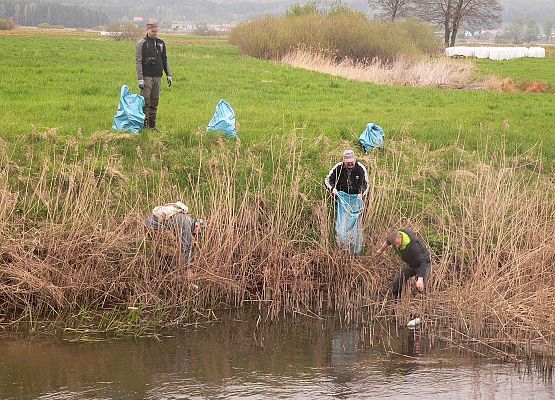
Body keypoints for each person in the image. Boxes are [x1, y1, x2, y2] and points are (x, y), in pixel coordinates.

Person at [324, 150, 369, 255]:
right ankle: (342, 246)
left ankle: (354, 249)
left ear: (354, 159)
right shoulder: (338, 168)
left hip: (356, 201)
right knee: (342, 225)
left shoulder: (360, 168)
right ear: (344, 161)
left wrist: (361, 193)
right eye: (347, 161)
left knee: (355, 226)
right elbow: (327, 180)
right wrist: (332, 189)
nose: (350, 163)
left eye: (351, 161)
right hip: (342, 201)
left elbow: (366, 184)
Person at [136, 19, 172, 131]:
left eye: (156, 31)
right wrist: (140, 78)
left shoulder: (161, 43)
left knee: (154, 101)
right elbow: (139, 61)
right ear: (147, 30)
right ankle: (144, 126)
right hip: (147, 76)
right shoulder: (142, 43)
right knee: (145, 101)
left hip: (158, 76)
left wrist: (169, 74)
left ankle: (152, 126)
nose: (155, 33)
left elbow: (165, 59)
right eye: (153, 31)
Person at [375, 228, 431, 299]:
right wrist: (380, 250)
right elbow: (387, 242)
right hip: (411, 264)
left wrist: (420, 279)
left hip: (423, 264)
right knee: (396, 282)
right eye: (395, 245)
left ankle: (423, 303)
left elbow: (422, 261)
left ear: (400, 237)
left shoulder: (412, 245)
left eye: (398, 243)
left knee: (421, 286)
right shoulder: (393, 237)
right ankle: (396, 301)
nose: (397, 246)